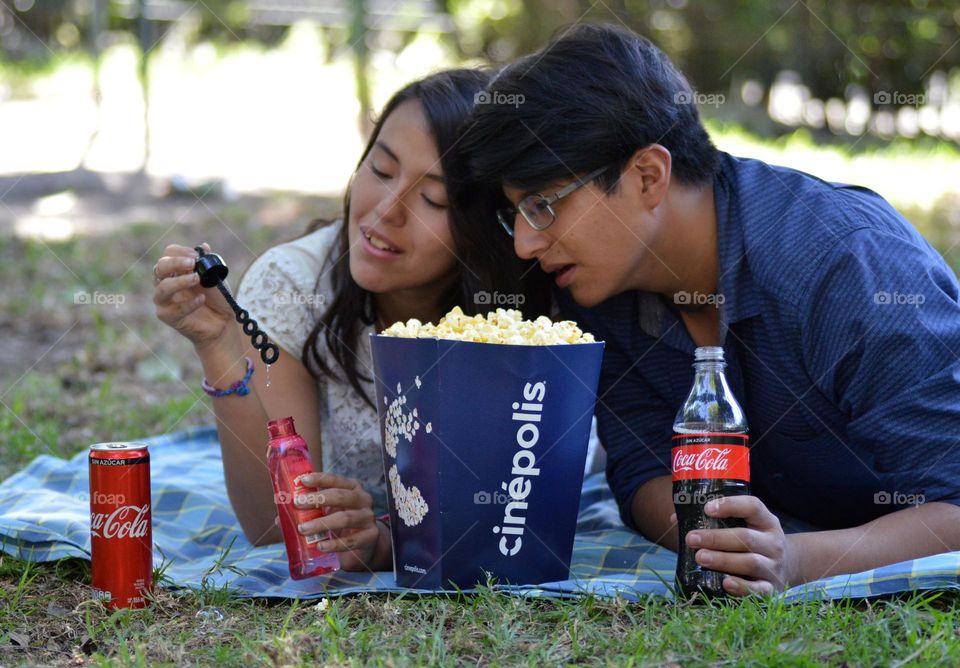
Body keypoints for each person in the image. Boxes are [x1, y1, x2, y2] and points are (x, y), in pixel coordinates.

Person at [457, 23, 960, 595]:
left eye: (542, 206)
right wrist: (722, 544)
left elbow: (954, 500)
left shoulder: (843, 264)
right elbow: (643, 467)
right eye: (514, 214)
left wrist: (792, 560)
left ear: (648, 175)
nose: (525, 244)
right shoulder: (600, 287)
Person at [152, 69, 549, 572]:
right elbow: (275, 530)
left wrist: (385, 543)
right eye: (381, 170)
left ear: (488, 229)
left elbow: (513, 509)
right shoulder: (293, 287)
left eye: (433, 200)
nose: (386, 211)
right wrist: (218, 349)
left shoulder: (520, 306)